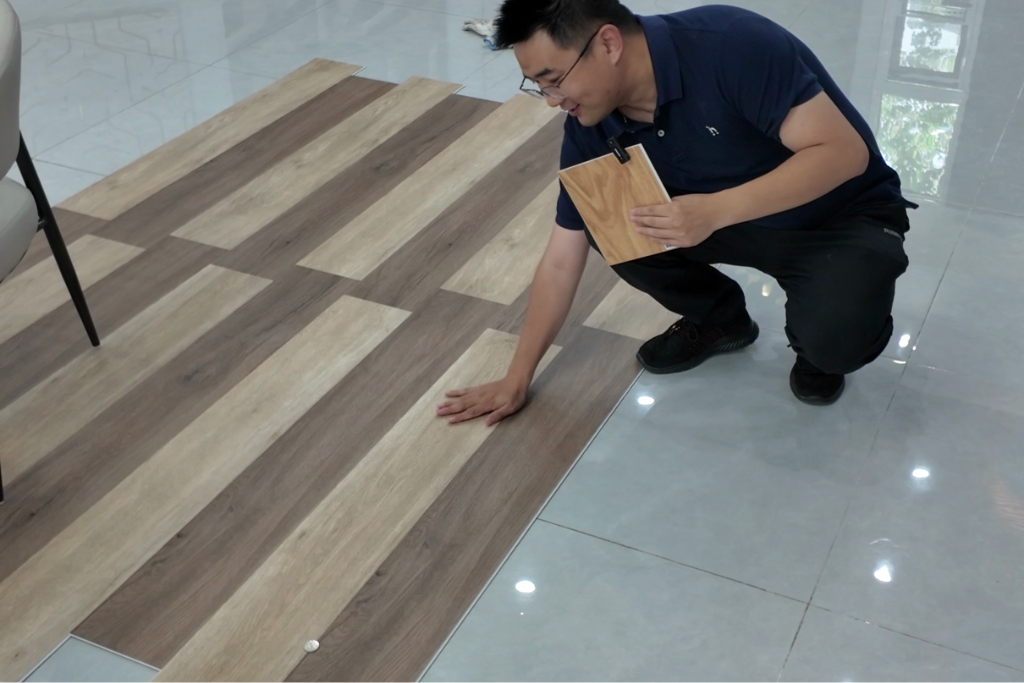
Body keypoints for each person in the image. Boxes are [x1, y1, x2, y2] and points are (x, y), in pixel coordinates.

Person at [437, 0, 916, 425]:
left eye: (554, 80)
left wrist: (716, 210)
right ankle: (722, 320)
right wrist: (517, 377)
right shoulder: (591, 120)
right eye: (537, 85)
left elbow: (841, 153)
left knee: (836, 343)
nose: (551, 100)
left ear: (607, 43)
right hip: (712, 217)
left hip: (835, 217)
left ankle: (818, 348)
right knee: (609, 223)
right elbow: (563, 256)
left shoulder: (730, 44)